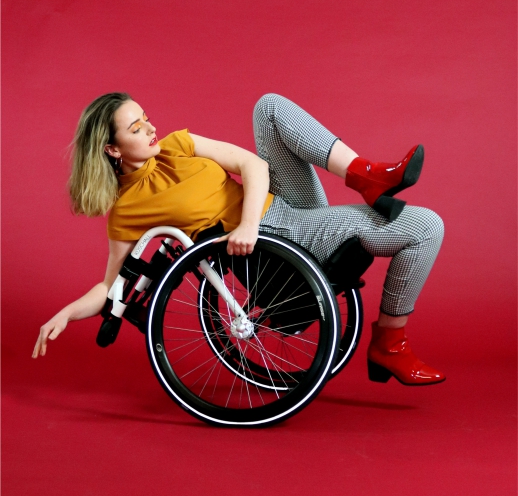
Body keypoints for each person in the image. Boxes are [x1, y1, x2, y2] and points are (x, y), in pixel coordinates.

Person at [33, 92, 445, 386]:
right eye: (137, 127)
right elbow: (111, 288)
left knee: (269, 108)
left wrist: (247, 222)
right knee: (426, 227)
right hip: (276, 240)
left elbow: (252, 163)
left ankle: (366, 176)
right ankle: (391, 342)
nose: (150, 127)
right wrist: (67, 313)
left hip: (275, 210)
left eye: (146, 117)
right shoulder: (129, 210)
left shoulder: (177, 145)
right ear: (113, 149)